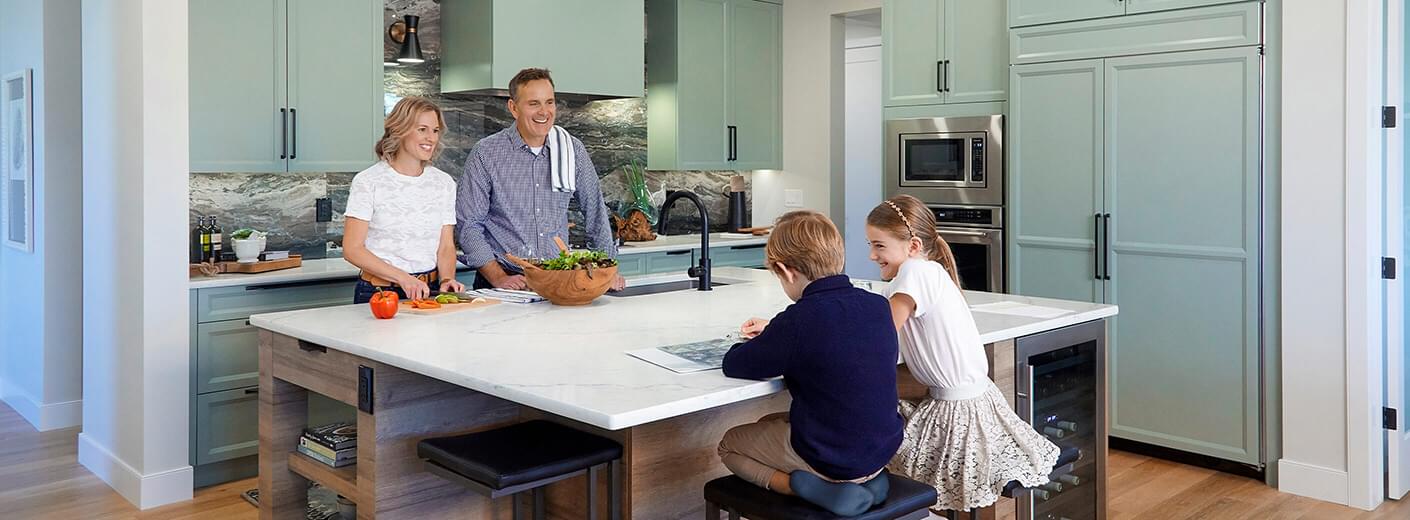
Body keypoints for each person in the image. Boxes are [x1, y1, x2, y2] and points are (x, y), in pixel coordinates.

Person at [866, 194, 1059, 513]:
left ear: (913, 246)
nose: (872, 255)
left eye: (879, 245)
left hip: (957, 417)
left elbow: (879, 336)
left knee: (867, 447)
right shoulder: (927, 272)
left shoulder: (916, 272)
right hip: (975, 406)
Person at [717, 211, 903, 517]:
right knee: (768, 424)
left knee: (730, 443)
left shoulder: (798, 320)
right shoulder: (877, 304)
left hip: (831, 457)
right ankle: (869, 480)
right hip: (880, 449)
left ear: (786, 271)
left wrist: (763, 339)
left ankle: (808, 487)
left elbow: (736, 364)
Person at [457, 67, 624, 291]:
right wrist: (498, 278)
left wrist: (607, 271)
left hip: (557, 279)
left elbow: (595, 213)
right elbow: (468, 226)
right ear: (513, 108)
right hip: (505, 283)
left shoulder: (571, 149)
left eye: (549, 102)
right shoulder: (486, 153)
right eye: (533, 103)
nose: (544, 112)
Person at [342, 96, 465, 303]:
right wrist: (404, 279)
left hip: (430, 291)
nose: (431, 138)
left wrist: (447, 279)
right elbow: (352, 249)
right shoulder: (368, 181)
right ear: (400, 130)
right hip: (379, 292)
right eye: (422, 129)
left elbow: (445, 246)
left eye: (435, 131)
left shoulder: (443, 183)